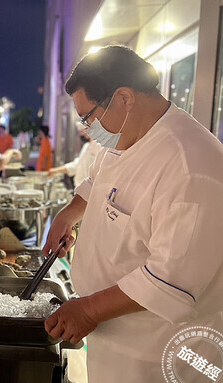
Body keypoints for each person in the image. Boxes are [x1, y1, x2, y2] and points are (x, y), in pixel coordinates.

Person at [42, 46, 223, 383]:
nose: (88, 128)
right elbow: (97, 180)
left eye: (90, 116)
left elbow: (170, 279)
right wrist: (69, 214)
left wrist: (87, 309)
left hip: (155, 354)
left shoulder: (191, 166)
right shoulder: (124, 137)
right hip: (113, 338)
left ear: (124, 97)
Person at [47, 122, 102, 188]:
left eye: (83, 131)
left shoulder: (99, 146)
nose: (82, 134)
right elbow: (77, 165)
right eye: (81, 131)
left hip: (90, 188)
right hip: (80, 186)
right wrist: (56, 171)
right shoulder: (86, 146)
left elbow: (100, 171)